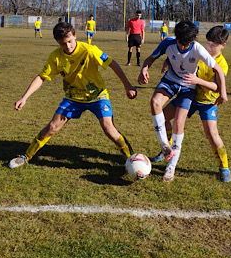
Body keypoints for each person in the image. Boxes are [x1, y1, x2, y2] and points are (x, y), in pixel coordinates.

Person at [8, 22, 138, 169]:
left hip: (97, 95)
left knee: (109, 129)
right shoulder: (55, 57)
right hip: (73, 98)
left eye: (70, 41)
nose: (68, 46)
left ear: (75, 35)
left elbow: (112, 63)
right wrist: (24, 97)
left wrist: (127, 85)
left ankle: (132, 161)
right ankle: (26, 156)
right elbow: (41, 77)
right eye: (63, 44)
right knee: (52, 127)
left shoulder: (90, 50)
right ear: (58, 43)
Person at [138, 20, 227, 183]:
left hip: (191, 90)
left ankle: (171, 167)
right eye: (181, 43)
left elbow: (219, 70)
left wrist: (223, 93)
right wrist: (144, 69)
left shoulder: (198, 49)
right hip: (171, 81)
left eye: (188, 44)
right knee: (155, 103)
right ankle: (165, 146)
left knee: (181, 123)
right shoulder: (168, 43)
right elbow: (150, 59)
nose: (184, 47)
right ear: (176, 38)